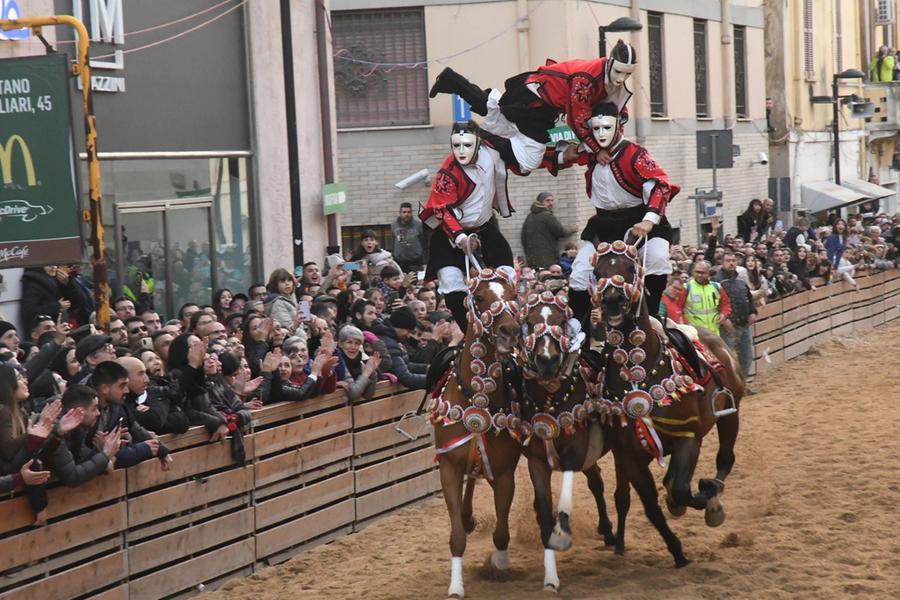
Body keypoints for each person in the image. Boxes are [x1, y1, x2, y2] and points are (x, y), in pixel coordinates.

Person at [429, 39, 637, 169]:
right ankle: (481, 136)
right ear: (609, 63)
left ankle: (452, 80)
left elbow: (616, 105)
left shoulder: (608, 77)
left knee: (495, 112)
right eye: (619, 72)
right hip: (534, 100)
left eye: (628, 74)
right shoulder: (585, 80)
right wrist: (597, 148)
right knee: (528, 160)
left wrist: (620, 127)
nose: (621, 79)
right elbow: (577, 118)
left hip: (539, 98)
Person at [560, 101, 680, 322]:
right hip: (604, 225)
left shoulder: (636, 154)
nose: (601, 133)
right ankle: (580, 333)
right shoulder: (590, 153)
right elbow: (559, 154)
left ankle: (651, 318)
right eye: (596, 129)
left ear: (618, 125)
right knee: (579, 274)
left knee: (657, 259)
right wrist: (589, 150)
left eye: (607, 127)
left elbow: (659, 186)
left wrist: (649, 220)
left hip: (640, 222)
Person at [419, 121, 526, 331]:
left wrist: (560, 157)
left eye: (467, 145)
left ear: (479, 143)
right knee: (451, 282)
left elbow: (524, 161)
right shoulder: (446, 174)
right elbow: (442, 210)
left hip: (485, 228)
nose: (461, 151)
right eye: (456, 145)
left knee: (508, 274)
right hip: (449, 235)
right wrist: (461, 239)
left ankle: (512, 327)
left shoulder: (492, 154)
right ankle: (471, 334)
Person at [714, 253, 757, 377]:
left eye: (733, 260)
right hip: (727, 326)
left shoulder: (740, 281)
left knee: (747, 356)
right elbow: (714, 304)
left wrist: (753, 312)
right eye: (728, 260)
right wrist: (724, 319)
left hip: (744, 325)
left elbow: (748, 299)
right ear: (722, 263)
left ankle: (742, 384)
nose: (731, 263)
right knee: (726, 358)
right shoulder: (716, 281)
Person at [520, 192, 579, 269]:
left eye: (552, 200)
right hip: (548, 259)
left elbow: (523, 238)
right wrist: (572, 229)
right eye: (547, 200)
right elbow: (560, 232)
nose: (551, 203)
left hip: (532, 260)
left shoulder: (529, 217)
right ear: (540, 202)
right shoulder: (547, 216)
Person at [679, 260, 732, 335]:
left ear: (709, 273)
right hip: (695, 333)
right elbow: (679, 309)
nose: (699, 275)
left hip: (714, 332)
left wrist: (723, 314)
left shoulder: (717, 287)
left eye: (702, 273)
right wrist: (686, 324)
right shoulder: (686, 287)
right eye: (697, 272)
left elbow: (726, 304)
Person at [392, 202, 426, 273]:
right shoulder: (393, 225)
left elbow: (423, 242)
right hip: (400, 262)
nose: (406, 214)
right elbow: (393, 241)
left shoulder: (418, 225)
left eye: (409, 212)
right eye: (404, 212)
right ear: (400, 213)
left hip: (415, 262)